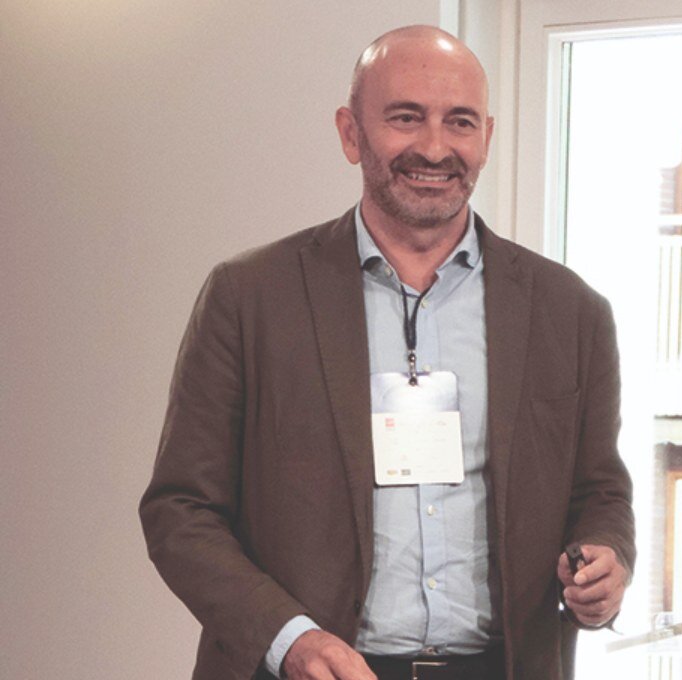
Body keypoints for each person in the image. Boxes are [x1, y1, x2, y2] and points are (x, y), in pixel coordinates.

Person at [139, 25, 634, 680]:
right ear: (351, 133)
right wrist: (290, 641)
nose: (435, 147)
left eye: (460, 122)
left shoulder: (571, 312)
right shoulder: (249, 297)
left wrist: (606, 557)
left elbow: (600, 489)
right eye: (406, 117)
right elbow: (180, 511)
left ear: (486, 137)